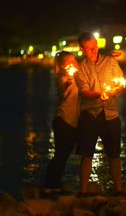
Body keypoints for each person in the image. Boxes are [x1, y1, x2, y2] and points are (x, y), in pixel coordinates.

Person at [74, 31, 125, 196]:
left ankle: (118, 189)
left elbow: (120, 82)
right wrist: (99, 94)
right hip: (90, 115)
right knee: (86, 154)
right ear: (82, 49)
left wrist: (114, 91)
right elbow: (84, 92)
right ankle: (83, 192)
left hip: (110, 114)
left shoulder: (110, 61)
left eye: (94, 46)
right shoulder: (80, 68)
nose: (93, 50)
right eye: (89, 48)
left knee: (114, 153)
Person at [42, 51, 80, 195]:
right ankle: (49, 185)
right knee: (60, 155)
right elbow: (64, 90)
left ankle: (54, 183)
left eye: (73, 60)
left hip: (73, 121)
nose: (72, 63)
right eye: (68, 61)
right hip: (64, 120)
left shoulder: (78, 75)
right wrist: (69, 81)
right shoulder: (62, 77)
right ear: (62, 65)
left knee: (64, 154)